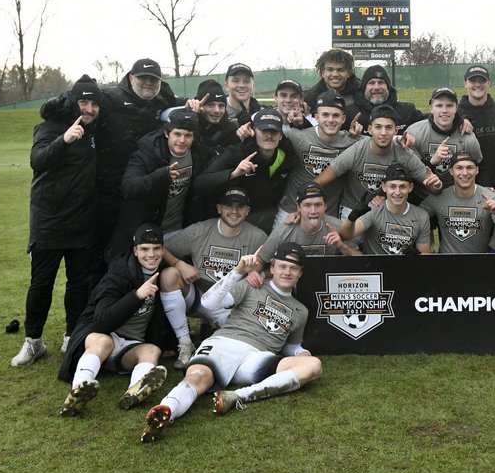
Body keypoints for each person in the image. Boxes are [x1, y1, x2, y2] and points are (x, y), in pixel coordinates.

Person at [140, 243, 322, 443]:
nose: (287, 272)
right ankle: (166, 410)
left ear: (300, 272)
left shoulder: (300, 311)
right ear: (272, 268)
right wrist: (238, 272)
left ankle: (238, 396)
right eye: (282, 266)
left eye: (293, 268)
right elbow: (208, 303)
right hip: (224, 343)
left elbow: (292, 345)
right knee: (198, 377)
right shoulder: (250, 285)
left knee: (313, 365)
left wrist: (301, 353)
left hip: (256, 358)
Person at [39, 57, 180, 270]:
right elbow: (77, 100)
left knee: (134, 253)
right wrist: (51, 108)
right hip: (106, 192)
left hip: (142, 190)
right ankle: (100, 299)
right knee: (101, 255)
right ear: (131, 77)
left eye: (154, 79)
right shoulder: (111, 97)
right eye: (143, 78)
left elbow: (185, 108)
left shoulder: (163, 101)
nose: (149, 83)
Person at [13, 76, 104, 366]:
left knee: (78, 284)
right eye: (83, 102)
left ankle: (72, 338)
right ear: (72, 101)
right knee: (41, 284)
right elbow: (38, 160)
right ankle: (33, 342)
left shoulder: (95, 131)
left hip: (82, 222)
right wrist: (64, 140)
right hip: (49, 222)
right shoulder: (50, 127)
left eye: (94, 103)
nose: (89, 109)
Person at [57, 224, 174, 417]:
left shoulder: (164, 274)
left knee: (152, 350)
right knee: (104, 341)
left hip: (130, 347)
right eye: (144, 249)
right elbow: (101, 322)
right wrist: (136, 296)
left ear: (163, 250)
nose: (151, 254)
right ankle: (79, 389)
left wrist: (172, 344)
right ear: (135, 251)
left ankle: (134, 391)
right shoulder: (118, 273)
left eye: (156, 249)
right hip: (101, 337)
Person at [159, 186, 269, 369]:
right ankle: (185, 343)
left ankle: (213, 337)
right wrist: (179, 264)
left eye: (240, 207)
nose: (234, 211)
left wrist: (259, 272)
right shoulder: (199, 231)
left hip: (230, 304)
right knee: (169, 275)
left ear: (247, 211)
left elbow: (275, 266)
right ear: (219, 208)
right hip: (197, 295)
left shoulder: (257, 236)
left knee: (238, 342)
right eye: (229, 206)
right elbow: (161, 248)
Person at [316, 105, 441, 214]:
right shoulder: (356, 150)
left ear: (395, 130)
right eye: (378, 127)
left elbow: (431, 184)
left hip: (385, 210)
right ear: (370, 129)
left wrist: (436, 184)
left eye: (388, 128)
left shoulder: (404, 153)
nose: (383, 133)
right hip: (352, 208)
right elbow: (320, 180)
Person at [115, 108, 209, 254]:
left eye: (188, 135)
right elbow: (129, 187)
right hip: (146, 231)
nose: (182, 140)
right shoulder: (148, 153)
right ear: (166, 133)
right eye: (177, 134)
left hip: (177, 229)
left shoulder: (199, 155)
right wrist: (161, 176)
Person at [196, 108, 299, 233]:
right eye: (264, 130)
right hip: (233, 221)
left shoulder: (288, 156)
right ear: (254, 131)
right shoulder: (237, 152)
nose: (269, 136)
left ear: (281, 135)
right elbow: (200, 183)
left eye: (274, 131)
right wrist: (234, 174)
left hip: (267, 222)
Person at [275, 91, 358, 225]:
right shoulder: (298, 136)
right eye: (325, 115)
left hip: (327, 214)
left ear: (343, 119)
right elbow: (267, 134)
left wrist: (401, 138)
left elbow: (381, 141)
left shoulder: (352, 142)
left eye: (336, 115)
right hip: (290, 210)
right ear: (316, 117)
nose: (330, 120)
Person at [420, 153, 495, 253]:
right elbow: (413, 217)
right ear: (451, 171)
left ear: (477, 170)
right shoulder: (439, 198)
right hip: (446, 264)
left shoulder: (491, 199)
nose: (465, 173)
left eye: (470, 168)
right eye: (459, 168)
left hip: (481, 264)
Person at [339, 162, 434, 255]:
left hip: (405, 268)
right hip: (374, 267)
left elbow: (426, 255)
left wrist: (417, 256)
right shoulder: (373, 209)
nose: (397, 192)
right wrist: (351, 218)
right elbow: (345, 235)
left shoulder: (421, 216)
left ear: (410, 187)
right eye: (392, 186)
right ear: (384, 187)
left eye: (402, 187)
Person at [457, 64, 495, 203]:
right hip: (466, 188)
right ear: (465, 83)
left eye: (482, 81)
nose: (478, 85)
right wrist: (459, 119)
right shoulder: (455, 114)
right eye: (473, 81)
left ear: (488, 83)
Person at [258, 182, 360, 261]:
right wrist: (260, 274)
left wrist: (342, 246)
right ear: (298, 208)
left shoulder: (337, 226)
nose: (313, 211)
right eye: (307, 205)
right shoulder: (283, 231)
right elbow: (261, 261)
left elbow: (361, 259)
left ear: (325, 206)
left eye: (318, 205)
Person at [404, 87, 483, 189]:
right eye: (439, 105)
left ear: (456, 108)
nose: (444, 110)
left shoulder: (468, 137)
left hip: (455, 195)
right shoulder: (414, 133)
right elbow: (411, 171)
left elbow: (478, 169)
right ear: (431, 108)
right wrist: (432, 162)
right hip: (421, 195)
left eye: (449, 106)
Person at [350, 64, 423, 133]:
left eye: (381, 82)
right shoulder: (352, 114)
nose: (376, 87)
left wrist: (412, 132)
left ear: (388, 88)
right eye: (371, 83)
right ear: (364, 88)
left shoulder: (407, 111)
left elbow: (429, 122)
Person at [188, 79, 241, 165]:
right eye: (210, 105)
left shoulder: (231, 130)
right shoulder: (188, 127)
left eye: (221, 105)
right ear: (200, 105)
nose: (217, 110)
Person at [303, 48, 360, 118]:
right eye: (330, 69)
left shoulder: (362, 92)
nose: (335, 74)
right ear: (322, 72)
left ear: (349, 72)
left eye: (341, 70)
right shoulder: (310, 98)